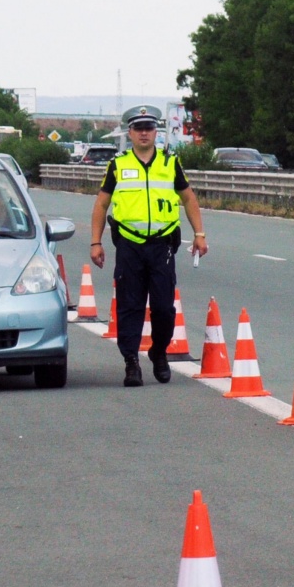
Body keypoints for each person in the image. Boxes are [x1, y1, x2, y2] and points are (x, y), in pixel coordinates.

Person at [89, 106, 208, 387]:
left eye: (149, 128)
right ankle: (131, 362)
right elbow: (102, 204)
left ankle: (158, 352)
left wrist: (199, 234)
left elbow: (189, 199)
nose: (144, 133)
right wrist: (96, 242)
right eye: (139, 128)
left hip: (162, 245)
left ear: (156, 132)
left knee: (164, 308)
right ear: (129, 132)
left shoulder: (169, 162)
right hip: (129, 245)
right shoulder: (118, 165)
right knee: (130, 306)